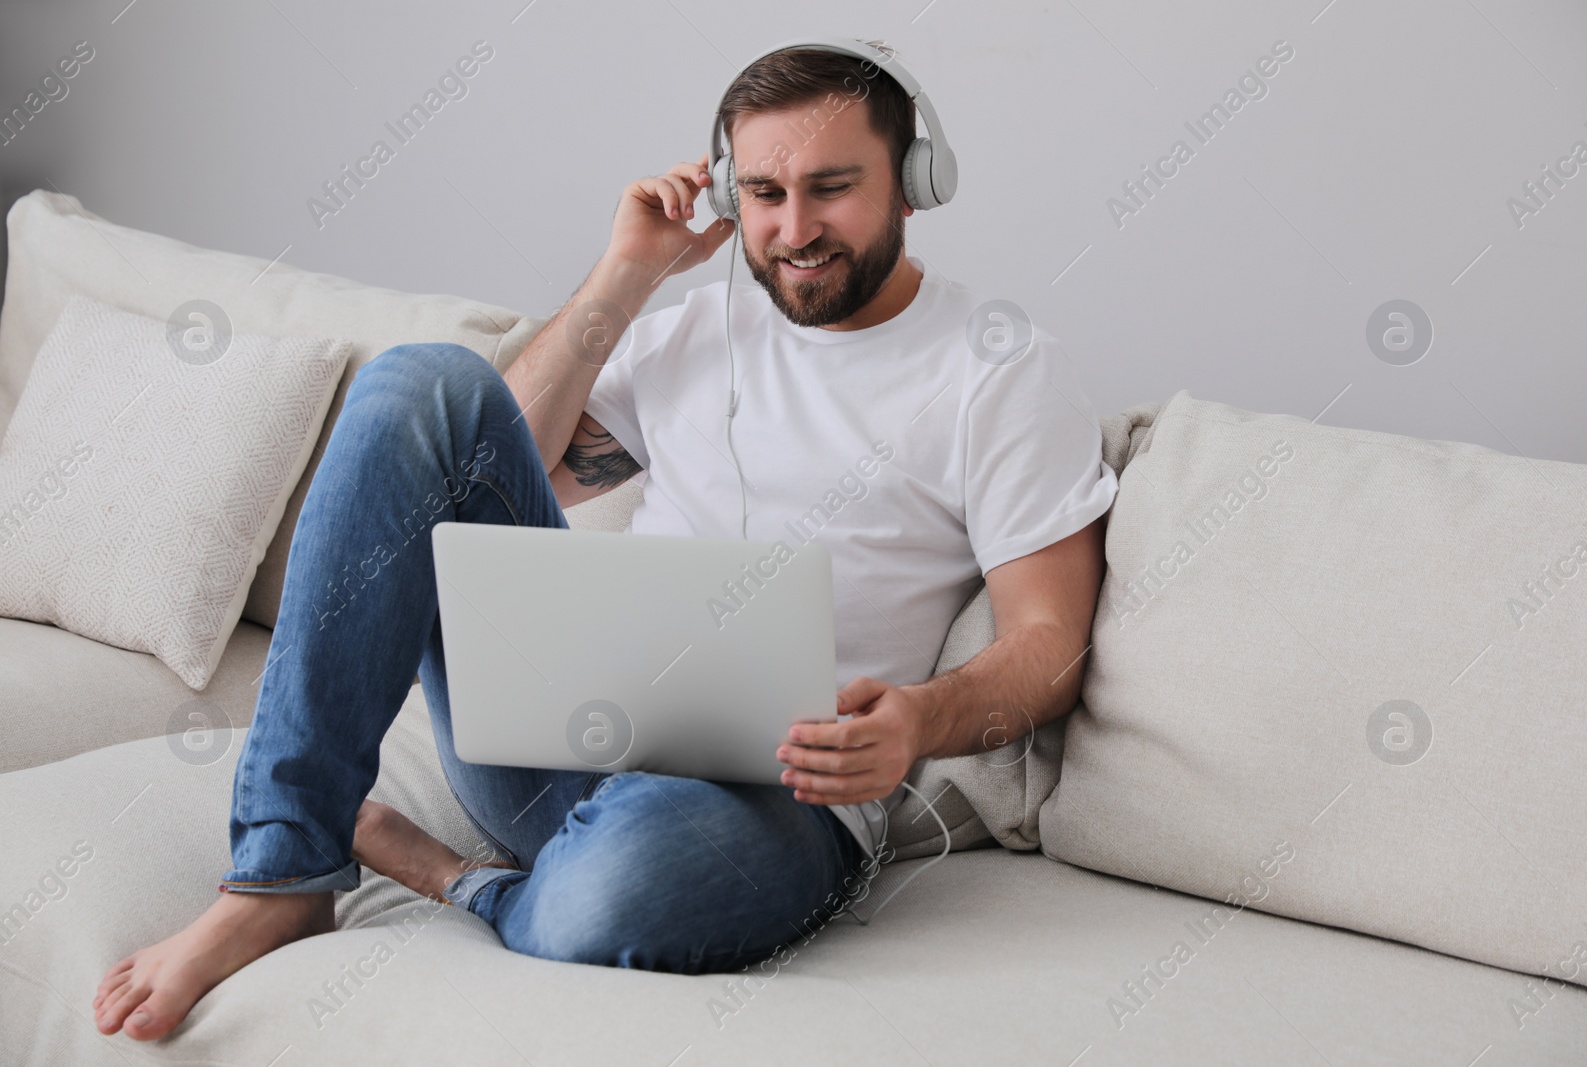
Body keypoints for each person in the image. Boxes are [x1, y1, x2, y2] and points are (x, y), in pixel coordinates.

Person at [93, 42, 1114, 1041]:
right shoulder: (689, 332)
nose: (793, 228)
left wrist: (919, 721)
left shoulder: (998, 368)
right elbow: (483, 468)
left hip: (779, 798)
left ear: (913, 182)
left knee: (609, 896)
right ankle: (278, 872)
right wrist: (626, 277)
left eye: (830, 188)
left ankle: (464, 880)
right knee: (422, 385)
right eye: (761, 192)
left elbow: (1048, 641)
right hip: (556, 741)